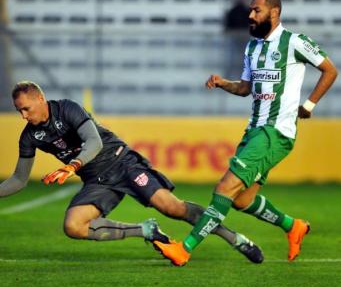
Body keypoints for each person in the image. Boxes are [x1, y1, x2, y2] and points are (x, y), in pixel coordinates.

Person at [155, 0, 338, 266]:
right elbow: (245, 88)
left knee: (225, 187)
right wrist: (222, 82)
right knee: (241, 200)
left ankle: (186, 248)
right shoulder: (252, 47)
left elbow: (330, 70)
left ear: (274, 12)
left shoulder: (294, 42)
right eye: (250, 11)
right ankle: (293, 226)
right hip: (254, 130)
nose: (250, 16)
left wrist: (309, 105)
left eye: (256, 11)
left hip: (275, 132)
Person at [0, 81, 263, 263]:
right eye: (19, 110)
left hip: (122, 163)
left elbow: (95, 142)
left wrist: (72, 166)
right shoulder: (30, 136)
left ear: (40, 100)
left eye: (26, 108)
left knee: (172, 207)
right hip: (97, 180)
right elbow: (19, 179)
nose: (23, 116)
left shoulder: (67, 108)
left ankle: (235, 238)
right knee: (73, 226)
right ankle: (146, 230)